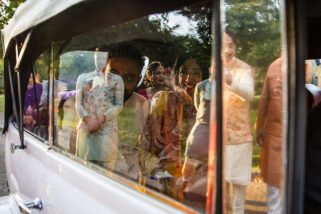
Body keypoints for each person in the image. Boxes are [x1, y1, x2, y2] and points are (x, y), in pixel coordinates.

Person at [143, 57, 203, 177]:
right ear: (176, 75)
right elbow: (152, 145)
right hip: (166, 174)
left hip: (198, 177)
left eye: (196, 73)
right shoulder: (163, 100)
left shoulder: (210, 107)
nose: (188, 78)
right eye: (184, 72)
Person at [75, 49, 125, 170]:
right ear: (94, 57)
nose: (100, 59)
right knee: (83, 169)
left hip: (107, 132)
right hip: (86, 130)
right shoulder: (83, 78)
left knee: (106, 172)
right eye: (97, 56)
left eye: (103, 56)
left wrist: (102, 118)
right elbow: (78, 103)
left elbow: (119, 105)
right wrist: (87, 119)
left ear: (109, 59)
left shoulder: (116, 80)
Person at [222, 32, 254, 214]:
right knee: (222, 191)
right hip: (220, 138)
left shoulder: (244, 68)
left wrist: (230, 80)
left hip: (240, 138)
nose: (227, 50)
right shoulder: (215, 67)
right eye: (224, 45)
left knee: (238, 195)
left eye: (231, 45)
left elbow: (249, 94)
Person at [182, 63, 215, 204]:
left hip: (215, 130)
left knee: (209, 166)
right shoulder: (201, 86)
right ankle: (183, 188)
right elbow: (197, 105)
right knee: (189, 160)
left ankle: (203, 196)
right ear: (210, 69)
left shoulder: (227, 87)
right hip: (200, 127)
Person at [256, 57, 283, 214]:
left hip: (299, 134)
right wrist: (259, 127)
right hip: (275, 135)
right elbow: (264, 101)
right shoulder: (274, 67)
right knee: (274, 187)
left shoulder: (308, 65)